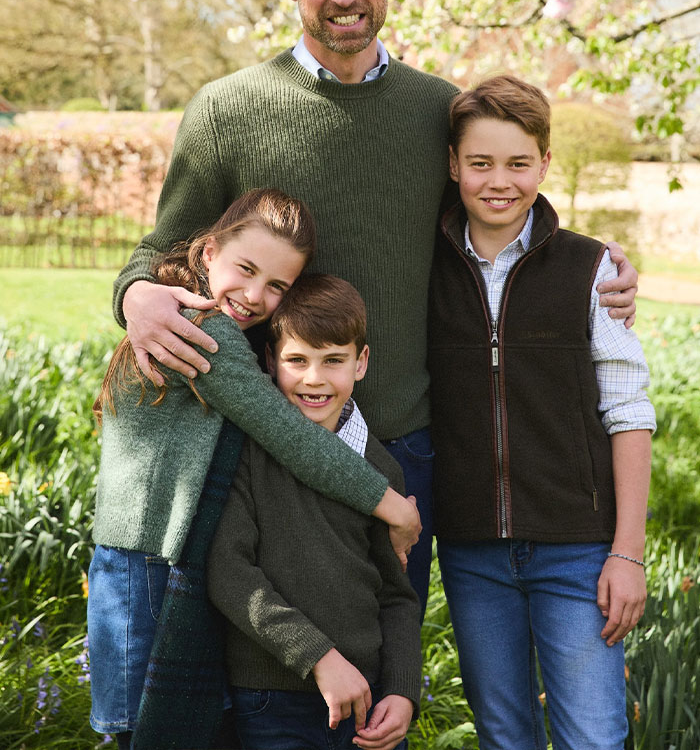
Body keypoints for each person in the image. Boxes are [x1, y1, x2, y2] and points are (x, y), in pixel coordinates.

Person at [112, 0, 639, 613]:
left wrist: (598, 265)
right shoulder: (225, 111)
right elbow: (163, 247)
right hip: (268, 442)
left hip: (403, 445)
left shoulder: (437, 111)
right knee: (272, 680)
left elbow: (501, 220)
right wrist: (135, 294)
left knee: (384, 667)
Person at [88, 189, 418, 750]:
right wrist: (390, 504)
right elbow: (284, 431)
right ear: (208, 251)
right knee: (154, 732)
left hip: (166, 557)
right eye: (245, 269)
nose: (254, 296)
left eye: (276, 286)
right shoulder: (199, 326)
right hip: (147, 564)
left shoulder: (196, 314)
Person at [428, 75, 655, 750]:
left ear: (545, 163)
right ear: (452, 167)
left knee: (593, 735)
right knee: (505, 736)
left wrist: (628, 553)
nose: (501, 181)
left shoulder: (590, 270)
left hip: (578, 550)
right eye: (480, 163)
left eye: (519, 163)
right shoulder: (426, 268)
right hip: (473, 552)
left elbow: (629, 411)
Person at [208, 274, 421, 750]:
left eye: (333, 361)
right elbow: (228, 571)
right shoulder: (247, 453)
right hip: (272, 697)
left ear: (361, 362)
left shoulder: (380, 469)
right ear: (270, 361)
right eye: (297, 360)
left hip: (367, 705)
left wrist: (403, 691)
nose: (314, 379)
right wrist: (320, 657)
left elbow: (397, 596)